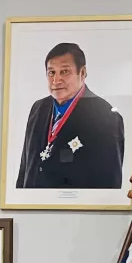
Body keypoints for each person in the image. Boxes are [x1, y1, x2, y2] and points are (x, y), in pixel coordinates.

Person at [15, 42, 125, 190]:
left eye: (65, 72)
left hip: (73, 210)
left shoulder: (106, 116)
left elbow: (109, 182)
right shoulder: (38, 108)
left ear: (83, 72)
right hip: (33, 208)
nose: (56, 80)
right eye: (51, 72)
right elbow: (25, 167)